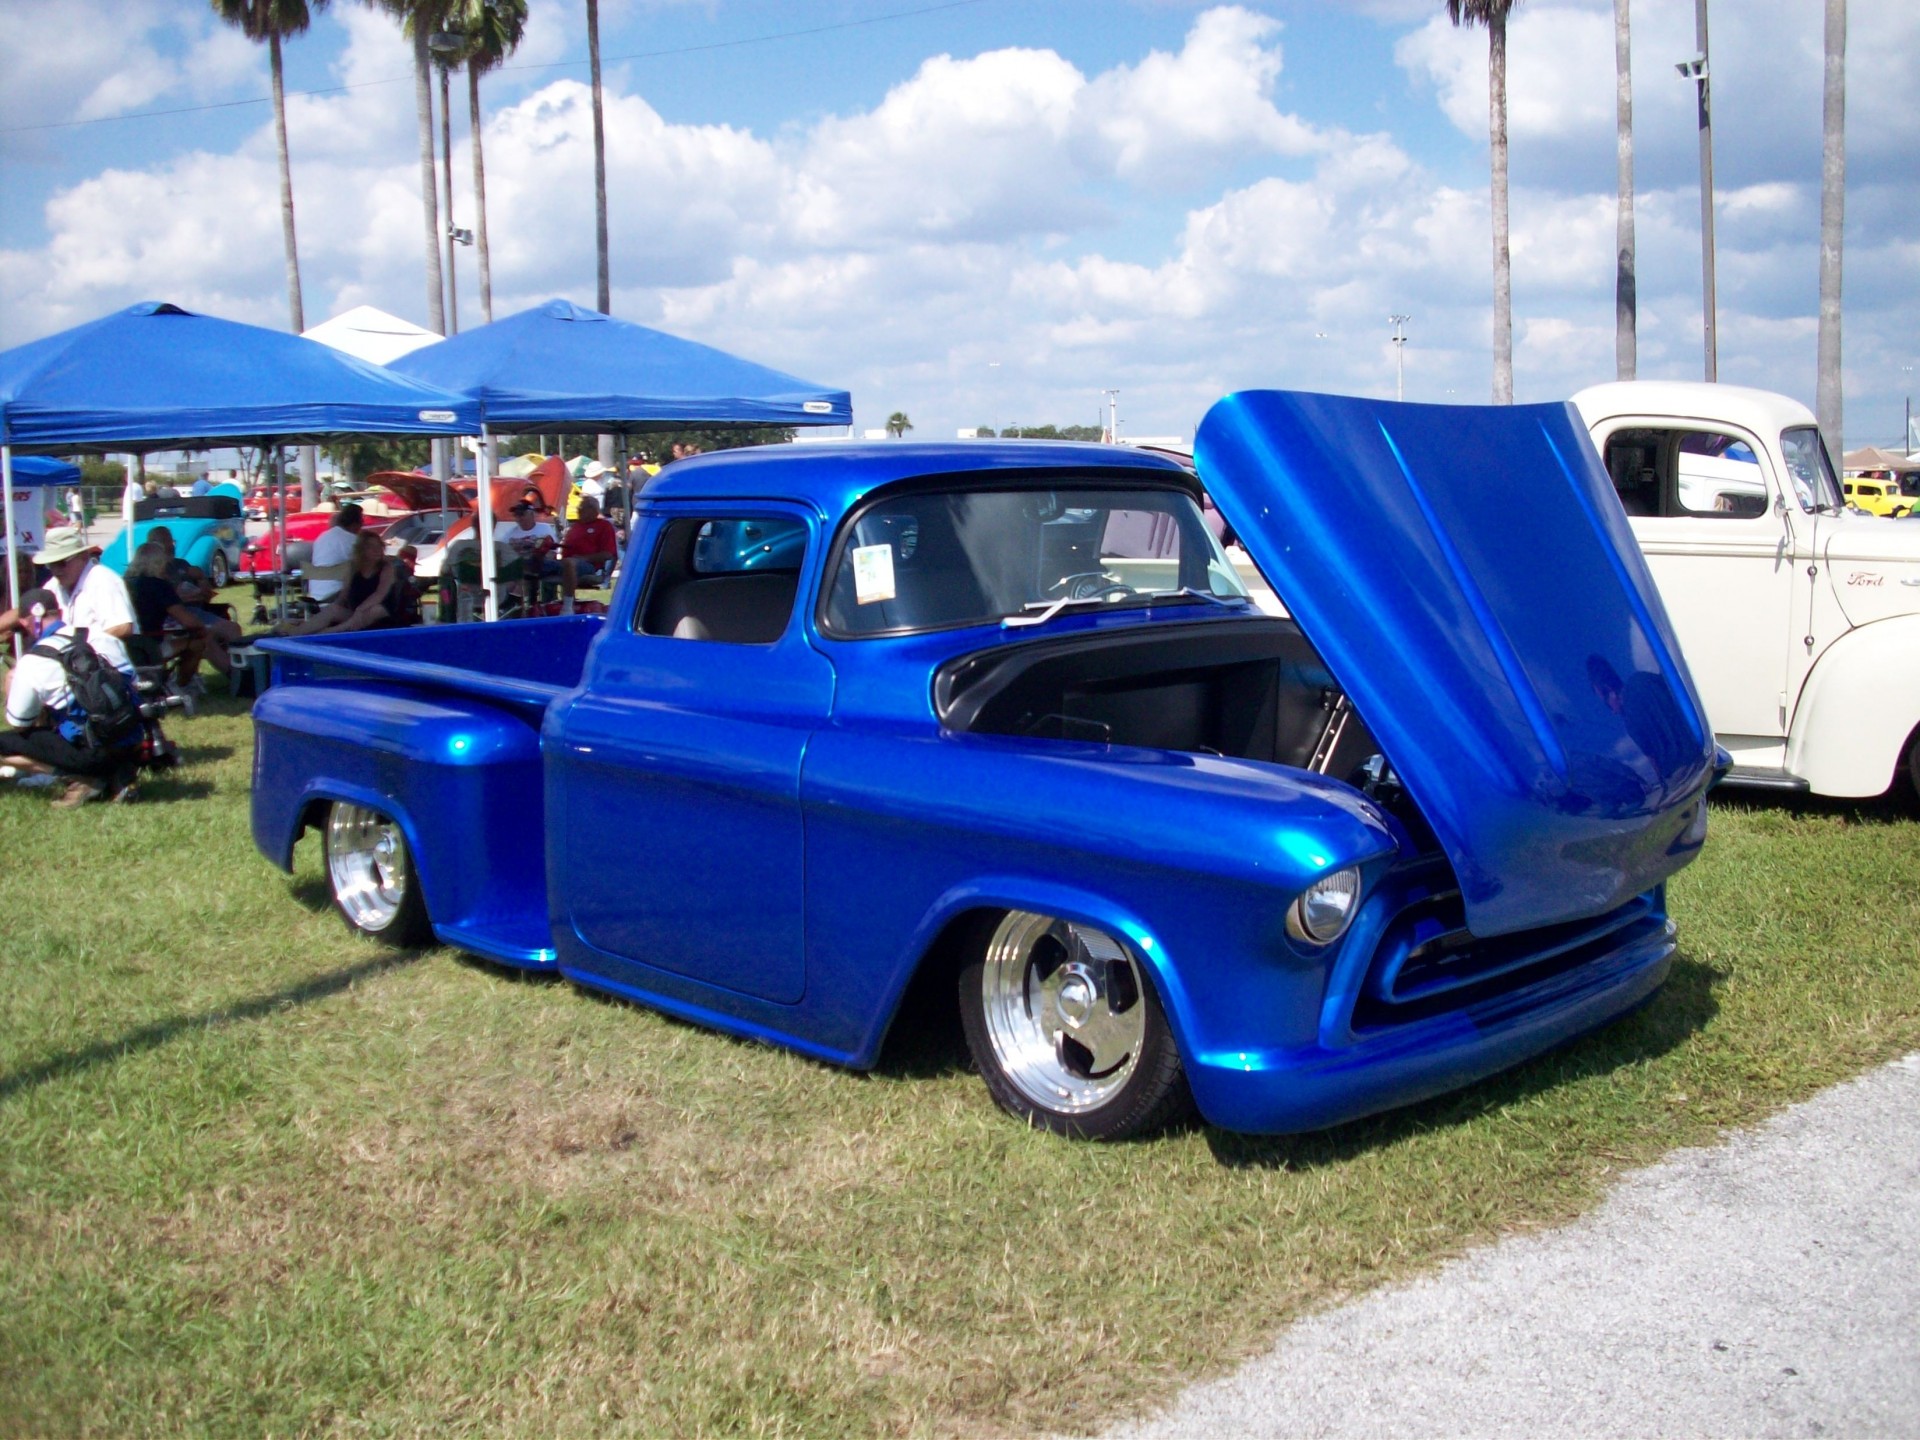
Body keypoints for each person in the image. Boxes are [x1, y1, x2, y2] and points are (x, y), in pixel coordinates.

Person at [0, 588, 142, 806]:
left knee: (6, 743)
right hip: (132, 741)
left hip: (91, 749)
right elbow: (133, 685)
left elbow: (19, 722)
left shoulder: (34, 661)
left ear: (27, 622)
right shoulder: (102, 637)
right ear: (59, 612)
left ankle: (81, 778)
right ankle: (116, 774)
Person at [35, 527, 134, 675]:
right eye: (51, 565)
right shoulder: (54, 585)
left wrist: (78, 647)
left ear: (83, 556)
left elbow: (122, 627)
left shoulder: (102, 580)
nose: (56, 570)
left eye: (61, 563)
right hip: (73, 665)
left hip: (107, 669)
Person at [146, 525, 242, 675]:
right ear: (156, 545)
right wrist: (185, 597)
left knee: (232, 629)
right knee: (212, 635)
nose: (172, 546)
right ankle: (237, 675)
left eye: (172, 542)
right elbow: (167, 602)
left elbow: (206, 592)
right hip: (177, 617)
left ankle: (240, 669)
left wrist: (202, 580)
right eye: (168, 542)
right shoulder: (154, 572)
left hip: (196, 610)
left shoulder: (181, 564)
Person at [275, 531, 399, 635]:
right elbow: (345, 593)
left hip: (377, 613)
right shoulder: (354, 567)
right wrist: (334, 608)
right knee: (333, 609)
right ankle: (294, 634)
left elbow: (380, 594)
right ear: (362, 550)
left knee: (376, 610)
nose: (377, 550)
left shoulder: (386, 567)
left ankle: (326, 633)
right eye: (371, 547)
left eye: (379, 546)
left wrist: (361, 609)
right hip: (355, 613)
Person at [126, 541, 212, 688]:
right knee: (197, 643)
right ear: (160, 563)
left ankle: (160, 680)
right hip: (150, 647)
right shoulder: (159, 585)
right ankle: (180, 685)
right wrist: (202, 629)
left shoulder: (123, 584)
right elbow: (189, 622)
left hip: (125, 647)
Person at [557, 495, 619, 614]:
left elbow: (608, 554)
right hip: (565, 562)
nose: (578, 511)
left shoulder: (604, 526)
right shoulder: (575, 527)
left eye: (581, 508)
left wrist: (583, 558)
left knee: (569, 563)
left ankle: (567, 607)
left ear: (593, 510)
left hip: (590, 566)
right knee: (535, 561)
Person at [306, 503, 363, 606]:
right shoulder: (352, 540)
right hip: (336, 597)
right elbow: (370, 564)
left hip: (316, 596)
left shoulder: (322, 537)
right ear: (356, 524)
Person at [503, 501, 558, 606]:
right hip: (516, 566)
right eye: (516, 515)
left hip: (538, 565)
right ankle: (508, 602)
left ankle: (515, 602)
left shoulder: (544, 528)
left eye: (521, 514)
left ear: (532, 514)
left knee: (523, 571)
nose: (519, 518)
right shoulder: (510, 533)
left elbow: (552, 552)